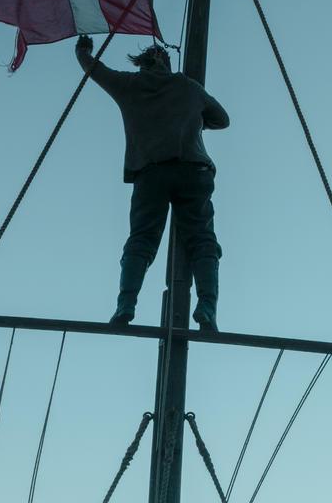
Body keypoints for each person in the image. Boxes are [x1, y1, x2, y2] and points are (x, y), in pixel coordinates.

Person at [75, 34, 231, 330]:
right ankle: (207, 308)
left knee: (141, 241)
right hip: (193, 170)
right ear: (166, 63)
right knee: (202, 240)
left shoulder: (129, 86)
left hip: (151, 174)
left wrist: (82, 51)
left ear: (142, 64)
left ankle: (125, 306)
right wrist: (193, 120)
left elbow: (94, 69)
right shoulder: (186, 85)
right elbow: (222, 119)